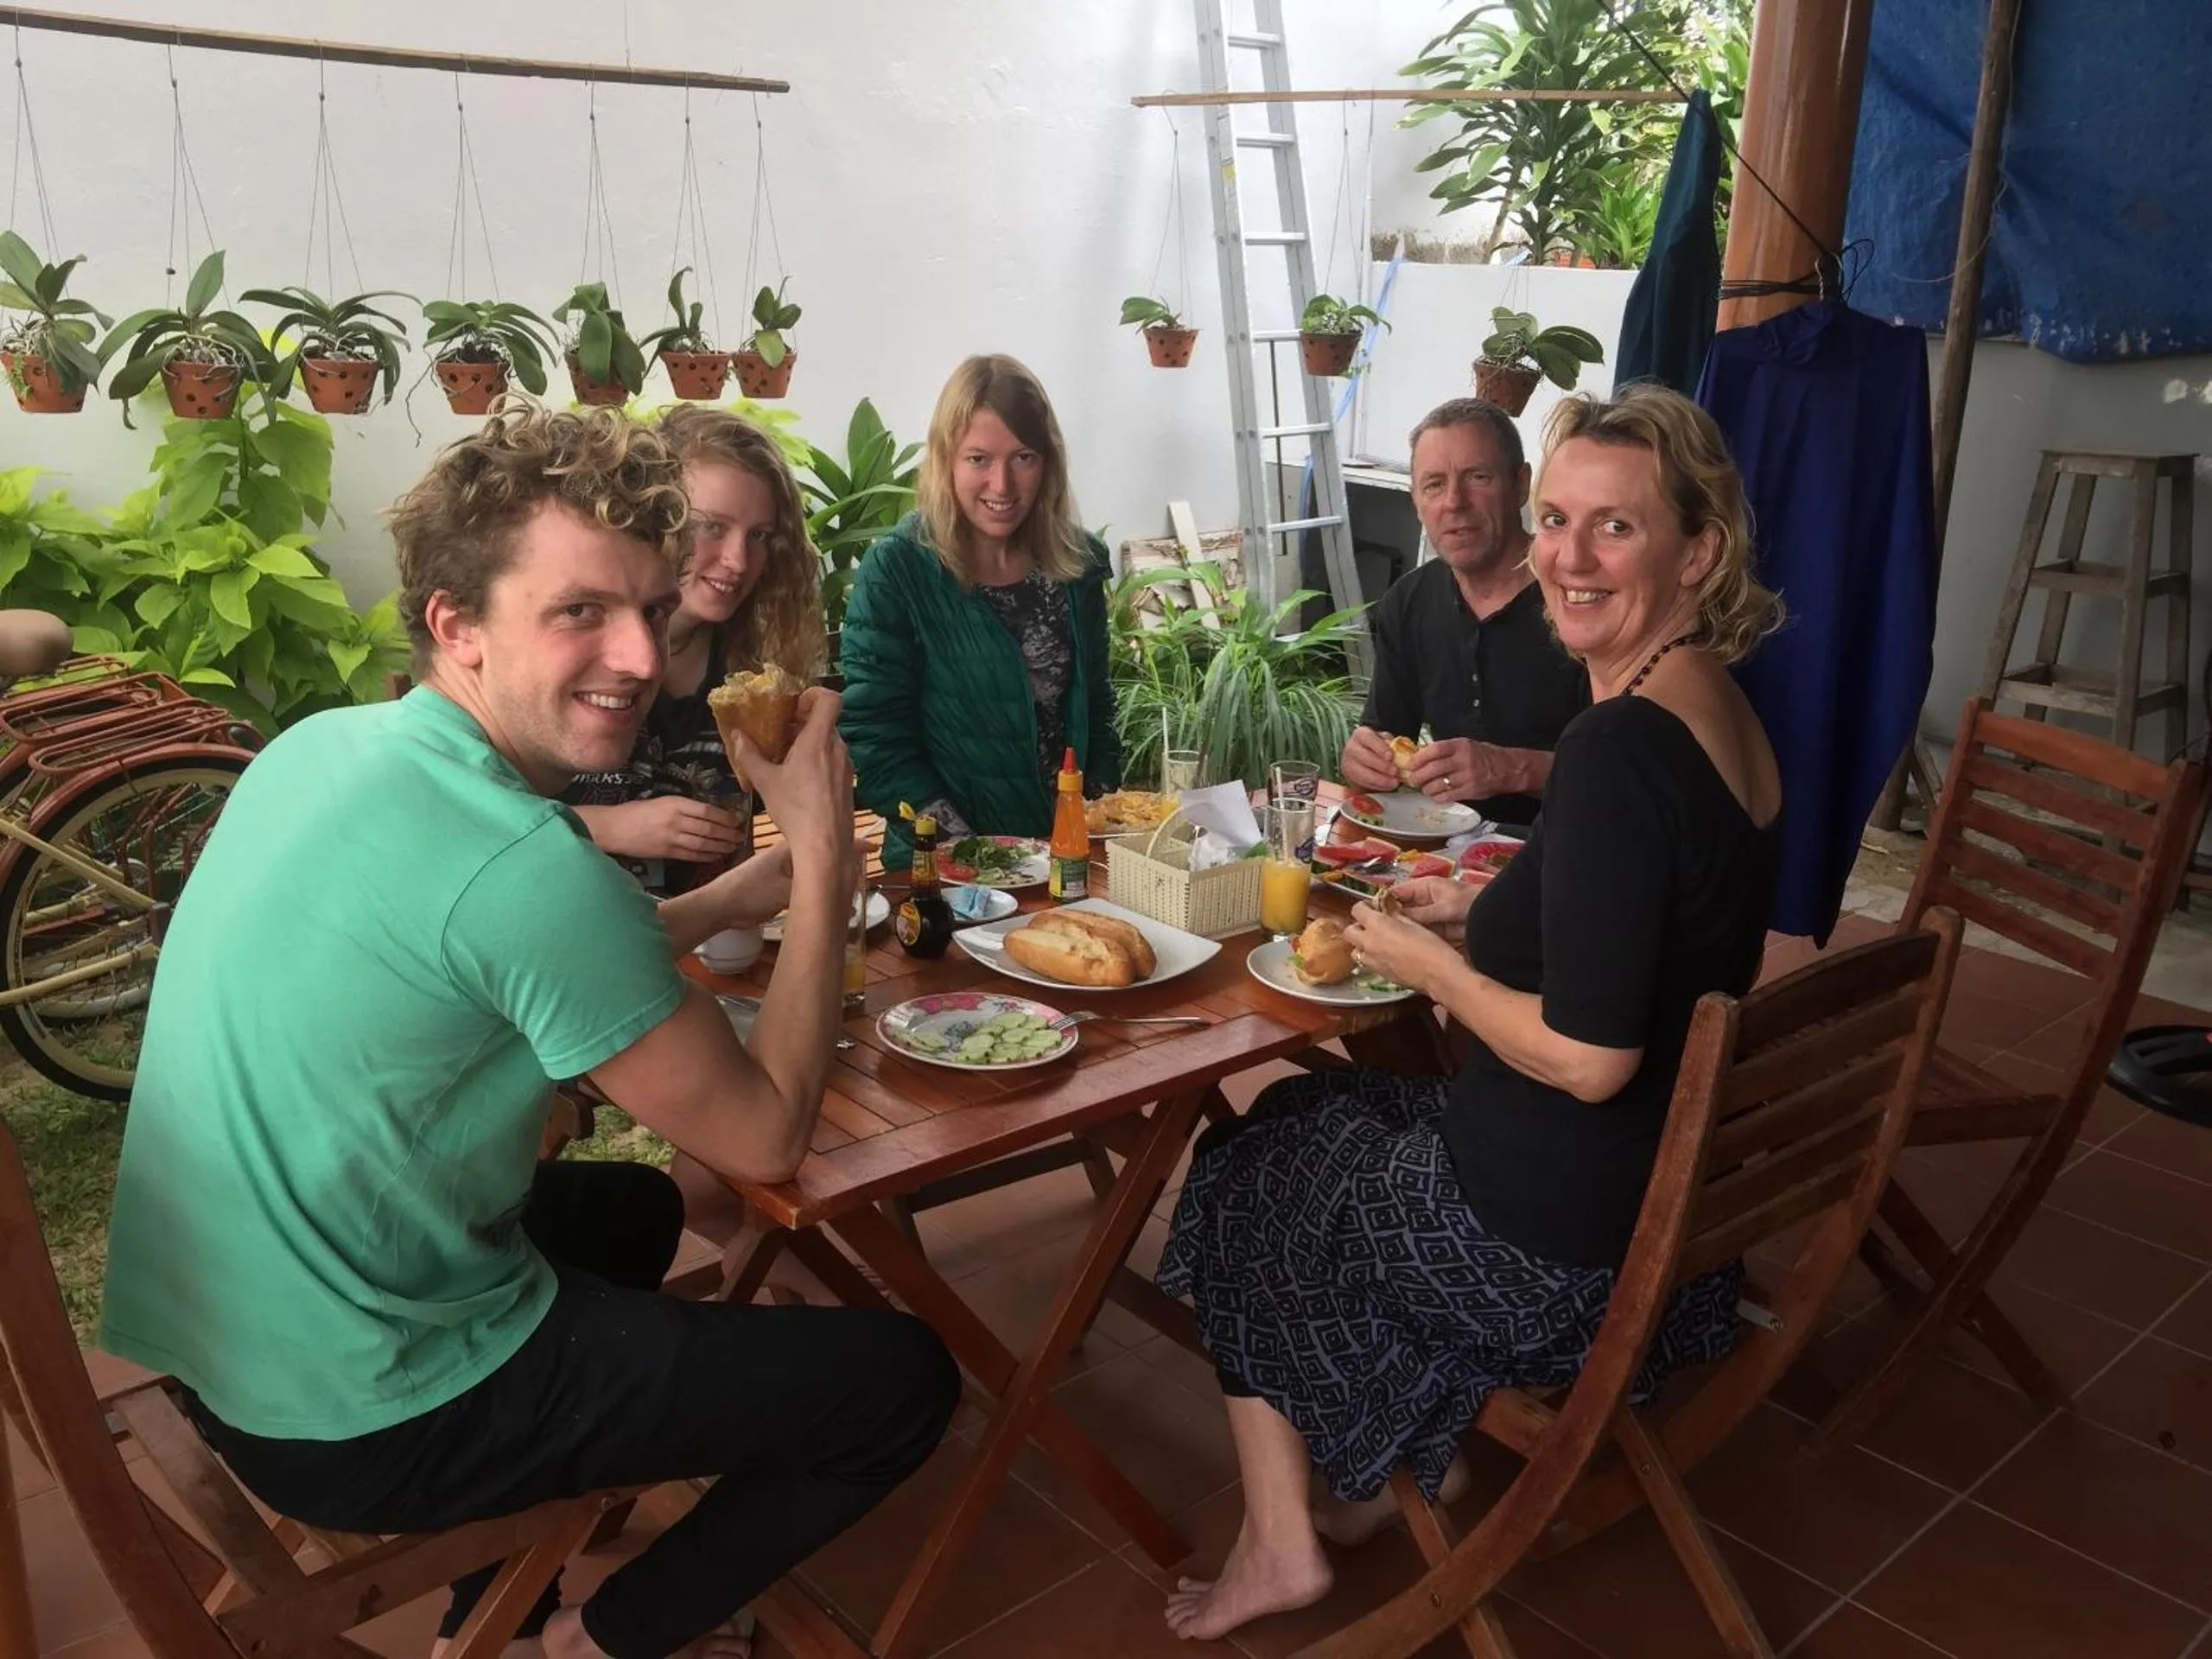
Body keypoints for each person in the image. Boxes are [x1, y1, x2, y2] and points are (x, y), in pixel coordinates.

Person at [99, 404, 958, 1659]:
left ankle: (490, 1606)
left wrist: (749, 889)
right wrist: (821, 852)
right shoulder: (521, 863)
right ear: (456, 624)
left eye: (648, 610)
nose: (635, 653)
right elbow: (767, 1139)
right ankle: (595, 1642)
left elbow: (542, 959)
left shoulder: (324, 747)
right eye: (577, 612)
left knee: (637, 1215)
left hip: (217, 1331)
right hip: (356, 1411)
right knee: (901, 1384)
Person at [1157, 385, 1783, 1643]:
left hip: (1553, 1250)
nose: (1564, 554)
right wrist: (1470, 919)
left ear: (1698, 551)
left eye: (1615, 528)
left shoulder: (1612, 753)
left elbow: (1590, 1060)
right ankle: (1415, 1454)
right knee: (1310, 1105)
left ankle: (1283, 1543)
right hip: (1671, 1199)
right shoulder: (1709, 704)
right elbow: (1634, 925)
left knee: (1248, 1161)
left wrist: (1422, 962)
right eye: (1558, 519)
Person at [838, 353, 1118, 868]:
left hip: (1067, 859)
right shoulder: (898, 568)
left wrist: (1091, 815)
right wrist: (974, 855)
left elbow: (1096, 710)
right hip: (944, 874)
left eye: (1023, 457)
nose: (1002, 485)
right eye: (978, 459)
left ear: (1048, 461)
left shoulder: (1078, 565)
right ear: (946, 459)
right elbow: (877, 739)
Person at [565, 403, 825, 895]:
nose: (737, 560)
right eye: (711, 526)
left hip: (724, 943)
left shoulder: (753, 671)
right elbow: (472, 818)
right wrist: (613, 827)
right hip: (579, 941)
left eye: (760, 536)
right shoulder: (574, 649)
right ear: (652, 515)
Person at [1338, 397, 1589, 829]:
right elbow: (1384, 731)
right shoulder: (1409, 600)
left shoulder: (1581, 599)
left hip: (1570, 852)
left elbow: (1628, 777)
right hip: (1443, 844)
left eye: (1478, 477)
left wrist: (1514, 768)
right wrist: (1364, 757)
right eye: (1434, 484)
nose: (1455, 502)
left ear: (1520, 484)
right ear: (1414, 499)